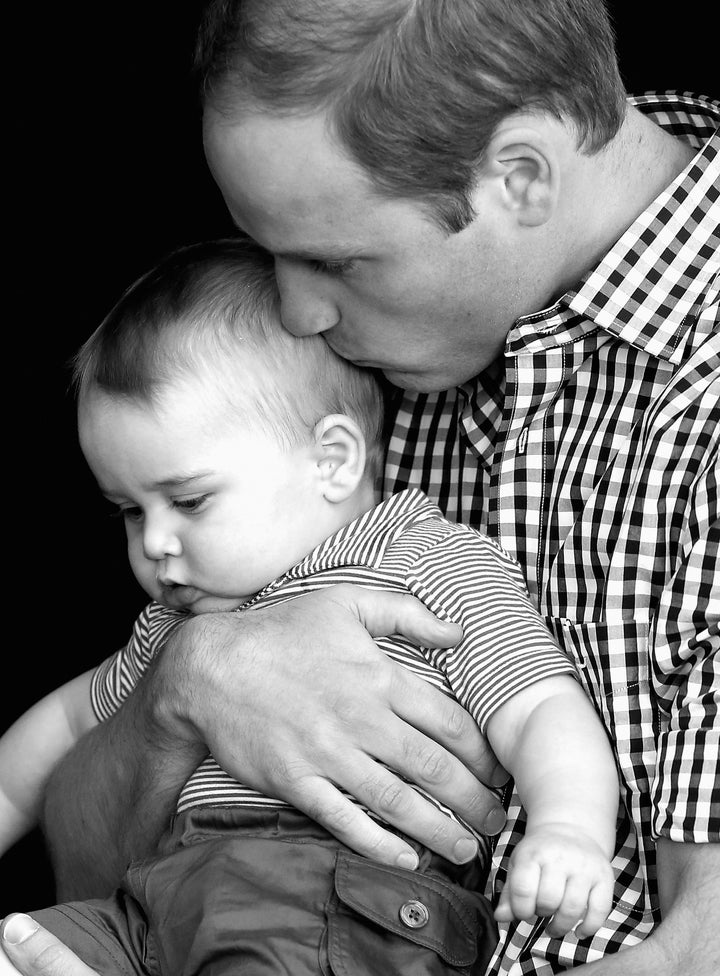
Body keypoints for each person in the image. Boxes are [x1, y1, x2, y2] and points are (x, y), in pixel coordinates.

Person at [2, 1, 718, 974]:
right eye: (271, 256)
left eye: (333, 261)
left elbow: (695, 954)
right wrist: (189, 683)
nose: (295, 314)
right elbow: (85, 870)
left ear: (519, 176)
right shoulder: (335, 371)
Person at [1, 237, 618, 975]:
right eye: (129, 512)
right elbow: (56, 733)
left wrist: (570, 829)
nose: (156, 543)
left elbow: (538, 705)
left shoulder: (420, 560)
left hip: (337, 894)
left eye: (189, 500)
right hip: (163, 901)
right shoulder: (179, 626)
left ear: (332, 460)